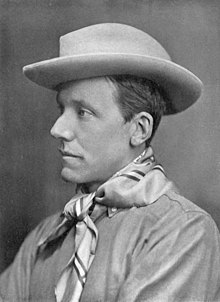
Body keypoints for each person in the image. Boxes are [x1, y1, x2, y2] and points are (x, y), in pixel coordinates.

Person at [0, 23, 220, 302]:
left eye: (83, 112)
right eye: (62, 108)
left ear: (139, 129)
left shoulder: (182, 231)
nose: (58, 128)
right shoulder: (43, 239)